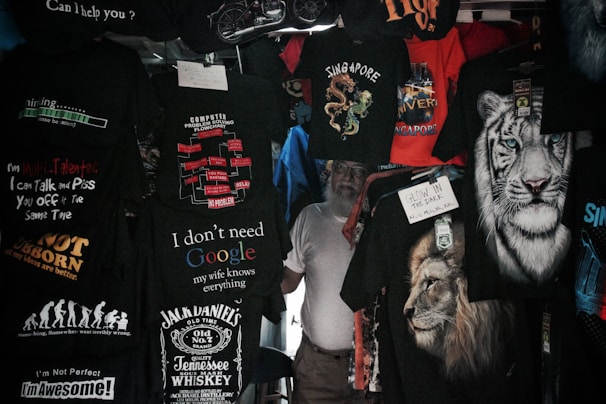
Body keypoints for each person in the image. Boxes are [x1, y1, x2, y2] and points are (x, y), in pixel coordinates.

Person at [281, 159, 372, 403]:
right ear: (330, 174)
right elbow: (289, 280)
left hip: (369, 367)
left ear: (368, 178)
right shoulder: (310, 217)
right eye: (340, 168)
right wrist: (248, 278)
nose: (347, 178)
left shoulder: (378, 222)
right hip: (317, 368)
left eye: (357, 171)